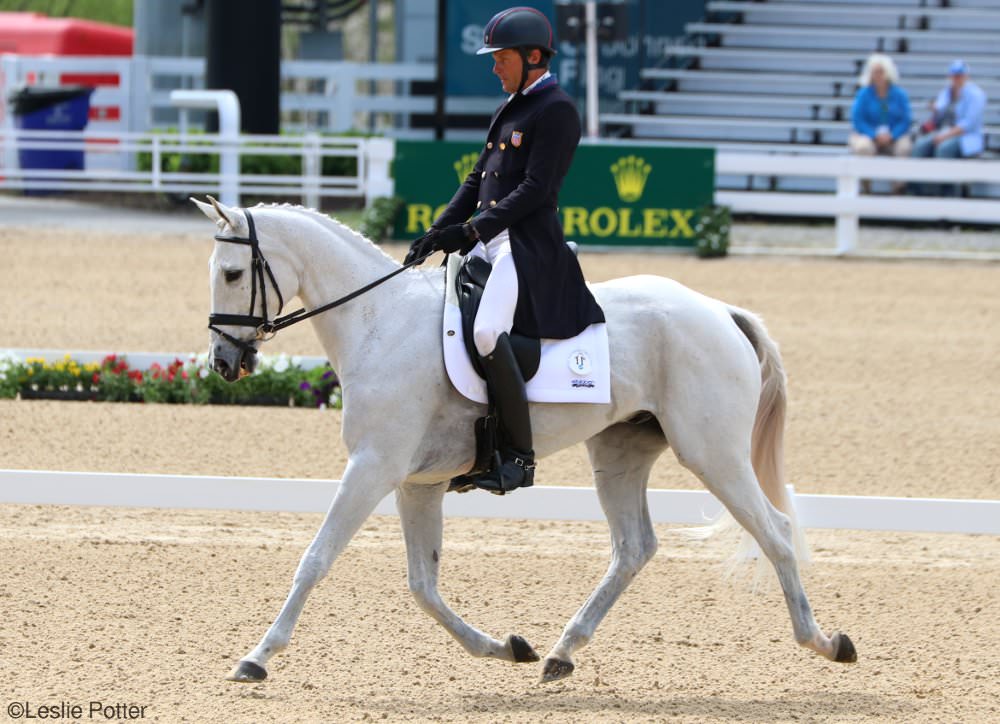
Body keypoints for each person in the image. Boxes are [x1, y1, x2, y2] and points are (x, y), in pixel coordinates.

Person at [404, 6, 605, 494]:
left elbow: (536, 189)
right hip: (492, 242)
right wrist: (438, 230)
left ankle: (517, 456)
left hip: (526, 247)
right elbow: (478, 179)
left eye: (501, 58)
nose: (494, 67)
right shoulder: (510, 107)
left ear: (533, 56)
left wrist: (472, 231)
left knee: (490, 330)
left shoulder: (555, 109)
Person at [909, 59, 988, 196]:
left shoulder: (976, 95)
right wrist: (934, 112)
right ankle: (916, 192)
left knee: (944, 149)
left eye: (960, 75)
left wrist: (944, 136)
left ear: (966, 76)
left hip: (965, 137)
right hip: (942, 132)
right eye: (954, 75)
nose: (956, 79)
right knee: (919, 146)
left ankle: (947, 194)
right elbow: (938, 118)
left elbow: (967, 125)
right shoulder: (946, 93)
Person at [849, 53, 912, 163]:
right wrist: (874, 135)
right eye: (875, 72)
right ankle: (865, 179)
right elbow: (858, 119)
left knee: (904, 148)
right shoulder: (863, 94)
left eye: (881, 72)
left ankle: (898, 179)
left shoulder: (900, 95)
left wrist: (892, 135)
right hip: (869, 135)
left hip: (894, 136)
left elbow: (905, 120)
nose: (878, 76)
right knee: (863, 147)